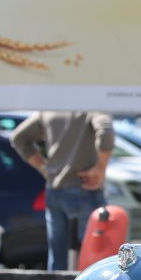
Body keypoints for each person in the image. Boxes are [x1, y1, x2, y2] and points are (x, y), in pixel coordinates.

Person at [11, 111, 114, 270]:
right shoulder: (92, 105)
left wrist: (44, 169)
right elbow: (106, 131)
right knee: (95, 258)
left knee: (58, 258)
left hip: (55, 190)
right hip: (84, 188)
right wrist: (100, 168)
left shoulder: (52, 108)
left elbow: (19, 138)